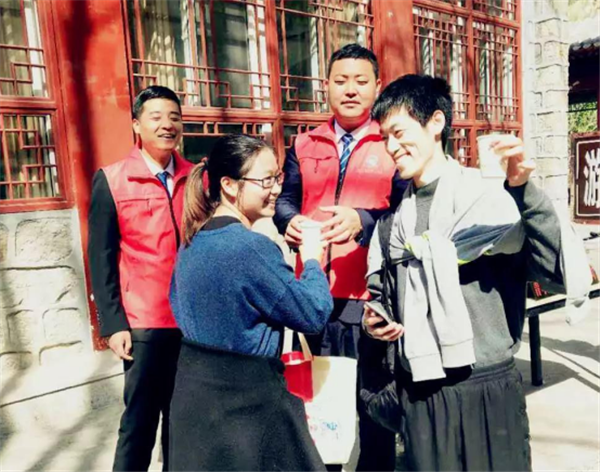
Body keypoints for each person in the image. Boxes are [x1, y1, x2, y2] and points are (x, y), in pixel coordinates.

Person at [362, 74, 591, 471]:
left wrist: (523, 190)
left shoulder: (488, 201)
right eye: (385, 138)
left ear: (435, 122)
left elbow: (551, 267)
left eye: (398, 133)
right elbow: (382, 294)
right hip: (421, 393)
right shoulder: (392, 225)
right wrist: (375, 320)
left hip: (488, 387)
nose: (391, 147)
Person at [274, 43, 405, 471]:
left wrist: (363, 220)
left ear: (377, 86)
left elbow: (407, 212)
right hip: (314, 295)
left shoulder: (393, 142)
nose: (351, 89)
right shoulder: (304, 143)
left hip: (369, 296)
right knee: (318, 407)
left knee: (373, 407)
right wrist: (289, 221)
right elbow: (285, 199)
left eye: (361, 81)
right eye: (341, 80)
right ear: (326, 85)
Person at [168, 134, 333, 471]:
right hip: (248, 410)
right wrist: (312, 261)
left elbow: (177, 306)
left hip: (196, 407)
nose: (276, 189)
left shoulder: (190, 244)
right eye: (266, 180)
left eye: (278, 177)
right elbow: (313, 313)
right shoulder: (250, 248)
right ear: (229, 185)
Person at [88, 85, 193, 471]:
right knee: (140, 422)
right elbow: (100, 257)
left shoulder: (196, 177)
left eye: (174, 117)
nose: (167, 125)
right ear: (136, 124)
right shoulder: (113, 179)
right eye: (156, 117)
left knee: (183, 422)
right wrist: (113, 323)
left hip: (190, 320)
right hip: (144, 322)